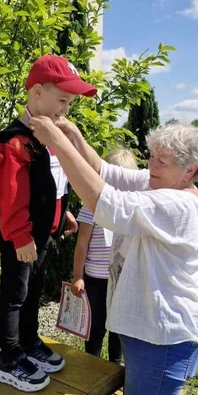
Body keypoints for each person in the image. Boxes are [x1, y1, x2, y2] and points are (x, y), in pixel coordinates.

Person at [28, 117, 198, 395]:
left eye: (162, 161)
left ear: (191, 170)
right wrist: (76, 138)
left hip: (162, 342)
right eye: (151, 157)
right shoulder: (163, 185)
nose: (151, 167)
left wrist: (57, 142)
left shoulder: (178, 205)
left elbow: (107, 202)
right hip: (156, 337)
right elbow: (108, 174)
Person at [0, 55, 97, 392]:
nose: (65, 109)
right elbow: (11, 195)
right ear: (36, 92)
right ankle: (9, 357)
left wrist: (63, 216)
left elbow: (53, 184)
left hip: (42, 233)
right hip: (21, 236)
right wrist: (18, 236)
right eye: (62, 100)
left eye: (70, 103)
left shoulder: (51, 136)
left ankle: (28, 342)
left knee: (33, 291)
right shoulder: (15, 142)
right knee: (15, 294)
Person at [72, 148, 137, 363]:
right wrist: (78, 276)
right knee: (96, 324)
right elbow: (82, 243)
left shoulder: (132, 209)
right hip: (95, 279)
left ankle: (114, 365)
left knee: (118, 325)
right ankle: (92, 361)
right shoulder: (92, 206)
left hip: (121, 280)